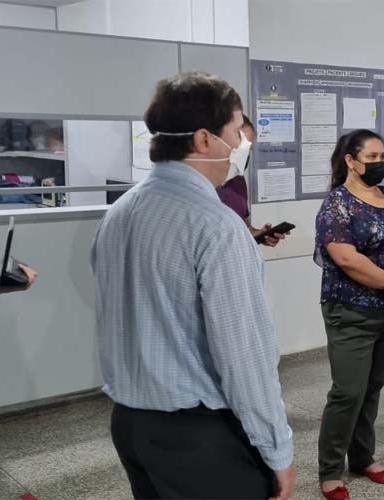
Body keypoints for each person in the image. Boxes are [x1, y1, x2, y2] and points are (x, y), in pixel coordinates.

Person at [91, 72, 294, 500]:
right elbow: (243, 356)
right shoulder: (216, 225)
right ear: (204, 140)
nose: (244, 145)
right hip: (198, 439)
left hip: (131, 425)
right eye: (238, 131)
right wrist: (278, 450)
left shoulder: (120, 211)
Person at [314, 129, 384, 500]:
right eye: (371, 157)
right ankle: (330, 470)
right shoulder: (337, 204)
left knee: (371, 390)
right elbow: (346, 259)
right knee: (348, 392)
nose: (379, 164)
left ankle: (362, 458)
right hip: (350, 312)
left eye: (382, 156)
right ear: (350, 160)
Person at [217, 114, 288, 247]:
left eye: (248, 150)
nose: (244, 155)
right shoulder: (201, 184)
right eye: (240, 148)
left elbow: (245, 228)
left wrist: (260, 234)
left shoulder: (238, 181)